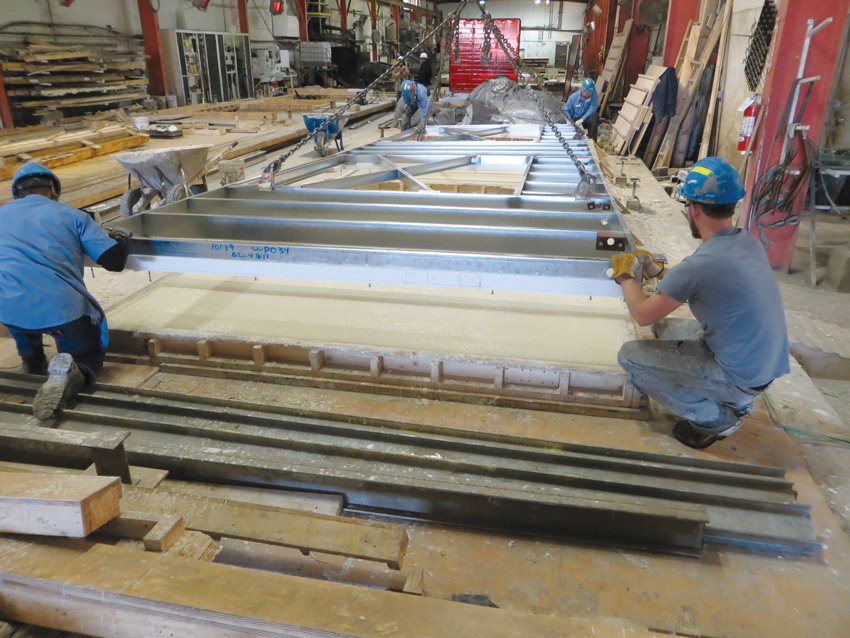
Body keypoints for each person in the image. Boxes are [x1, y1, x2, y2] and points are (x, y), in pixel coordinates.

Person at [611, 157, 790, 449]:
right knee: (669, 330)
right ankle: (739, 402)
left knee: (632, 356)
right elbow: (698, 285)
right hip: (761, 366)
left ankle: (715, 418)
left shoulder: (699, 266)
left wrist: (624, 277)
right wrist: (658, 273)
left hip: (738, 376)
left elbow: (643, 315)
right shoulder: (747, 242)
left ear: (693, 209)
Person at [0, 162, 130, 420]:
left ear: (17, 193)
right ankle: (73, 371)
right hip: (63, 311)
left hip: (8, 309)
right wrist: (121, 240)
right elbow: (113, 262)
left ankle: (33, 362)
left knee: (22, 318)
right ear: (53, 191)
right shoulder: (73, 216)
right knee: (86, 349)